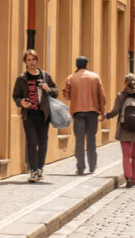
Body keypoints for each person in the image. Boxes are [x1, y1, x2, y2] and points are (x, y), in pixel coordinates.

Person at [12, 49, 57, 183]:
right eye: (29, 60)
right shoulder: (21, 78)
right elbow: (16, 95)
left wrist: (48, 89)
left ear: (37, 60)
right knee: (32, 142)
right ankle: (33, 170)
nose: (31, 62)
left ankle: (40, 168)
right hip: (29, 115)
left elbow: (55, 92)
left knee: (42, 142)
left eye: (33, 59)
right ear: (25, 62)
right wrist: (21, 102)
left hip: (43, 115)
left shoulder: (45, 76)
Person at [103, 73, 135, 187]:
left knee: (126, 154)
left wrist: (106, 115)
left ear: (125, 83)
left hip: (124, 129)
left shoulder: (120, 96)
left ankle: (128, 176)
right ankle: (134, 179)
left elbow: (115, 111)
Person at [63, 56, 106, 175]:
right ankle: (92, 165)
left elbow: (67, 96)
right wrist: (102, 112)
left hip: (78, 112)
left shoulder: (71, 78)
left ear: (76, 65)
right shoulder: (95, 77)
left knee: (79, 140)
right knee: (91, 139)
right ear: (87, 64)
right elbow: (102, 97)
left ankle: (80, 167)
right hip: (92, 112)